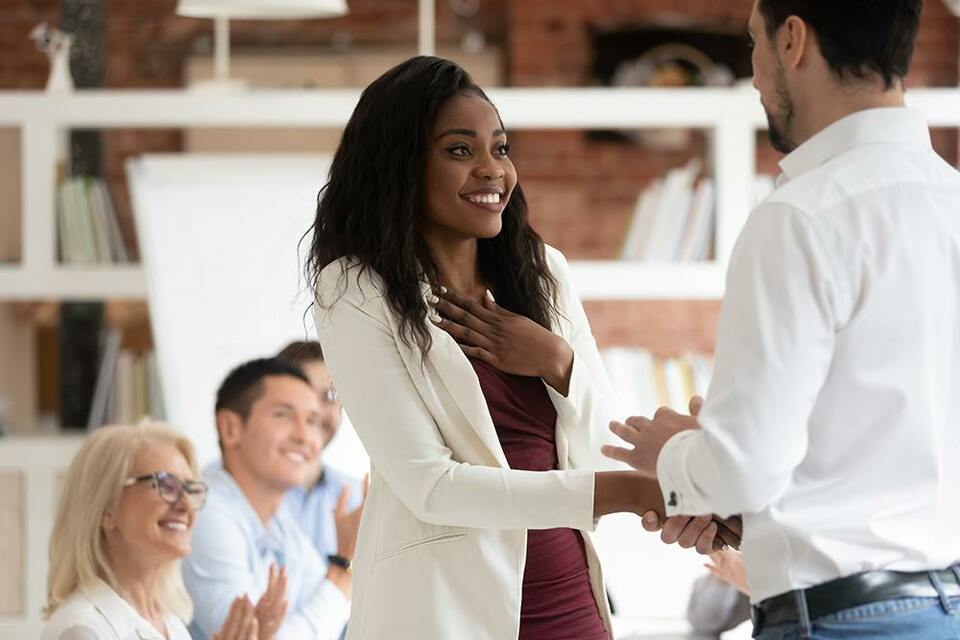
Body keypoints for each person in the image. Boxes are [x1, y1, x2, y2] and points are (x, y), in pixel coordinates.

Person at [307, 55, 738, 640]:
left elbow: (599, 447)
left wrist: (557, 363)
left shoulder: (544, 273)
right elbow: (431, 486)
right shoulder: (357, 290)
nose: (492, 171)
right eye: (461, 151)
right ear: (400, 166)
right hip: (443, 610)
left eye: (501, 149)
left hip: (567, 596)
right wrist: (634, 492)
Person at [603, 1, 960, 638]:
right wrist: (742, 494)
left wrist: (677, 457)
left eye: (753, 45)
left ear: (792, 40)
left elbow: (745, 470)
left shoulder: (799, 217)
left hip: (841, 622)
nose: (755, 76)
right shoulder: (950, 202)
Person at [183, 358, 363, 640]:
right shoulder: (203, 511)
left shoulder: (276, 517)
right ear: (231, 428)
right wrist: (342, 572)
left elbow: (340, 617)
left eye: (313, 421)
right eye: (283, 415)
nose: (306, 437)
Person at [42, 423, 258, 640]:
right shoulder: (84, 629)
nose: (185, 505)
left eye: (190, 489)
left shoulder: (171, 623)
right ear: (106, 509)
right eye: (165, 485)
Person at [276, 340, 365, 559]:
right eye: (301, 395)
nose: (314, 411)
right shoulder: (244, 494)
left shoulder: (356, 499)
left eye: (330, 396)